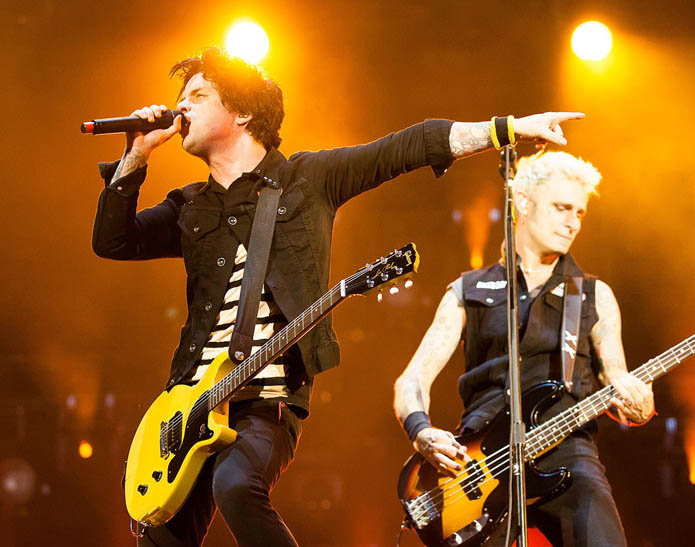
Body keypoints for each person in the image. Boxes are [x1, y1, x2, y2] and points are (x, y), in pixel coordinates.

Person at [91, 46, 584, 547]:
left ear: (240, 112)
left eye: (198, 95)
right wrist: (137, 153)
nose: (183, 107)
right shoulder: (187, 208)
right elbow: (112, 241)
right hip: (184, 409)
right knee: (159, 538)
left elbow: (407, 147)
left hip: (266, 401)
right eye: (182, 97)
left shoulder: (309, 179)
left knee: (236, 484)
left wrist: (503, 129)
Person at [393, 150, 656, 546]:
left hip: (567, 451)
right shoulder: (468, 289)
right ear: (524, 203)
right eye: (562, 208)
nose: (572, 223)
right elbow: (411, 379)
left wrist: (640, 404)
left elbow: (619, 383)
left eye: (580, 213)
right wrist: (421, 431)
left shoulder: (592, 296)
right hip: (477, 464)